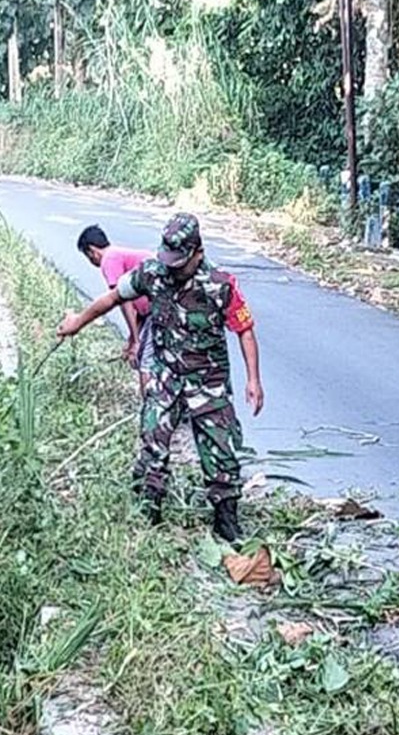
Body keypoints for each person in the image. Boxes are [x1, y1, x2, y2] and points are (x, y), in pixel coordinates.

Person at [58, 213, 264, 541]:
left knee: (221, 453)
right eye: (168, 260)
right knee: (153, 443)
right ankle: (147, 519)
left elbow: (245, 330)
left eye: (179, 262)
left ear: (197, 252)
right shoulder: (152, 273)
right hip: (166, 377)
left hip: (207, 383)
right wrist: (77, 323)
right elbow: (112, 298)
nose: (172, 268)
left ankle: (226, 522)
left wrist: (253, 380)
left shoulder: (220, 285)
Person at [77, 224, 153, 392]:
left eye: (88, 256)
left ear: (92, 251)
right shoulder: (119, 255)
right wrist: (132, 339)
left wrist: (136, 341)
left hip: (158, 308)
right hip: (154, 308)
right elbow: (140, 309)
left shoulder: (109, 260)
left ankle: (150, 408)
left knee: (145, 361)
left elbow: (122, 300)